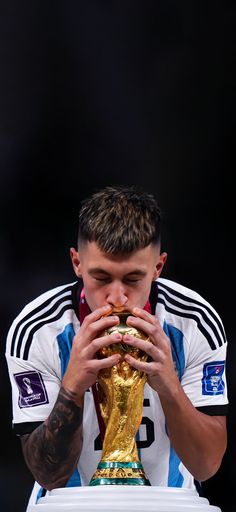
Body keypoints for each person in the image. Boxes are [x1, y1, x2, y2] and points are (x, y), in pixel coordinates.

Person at [5, 185, 228, 508]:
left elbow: (206, 466)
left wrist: (170, 387)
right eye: (101, 277)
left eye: (133, 279)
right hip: (68, 504)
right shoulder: (37, 330)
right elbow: (48, 476)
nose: (117, 297)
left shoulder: (194, 322)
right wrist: (72, 387)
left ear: (158, 267)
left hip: (168, 502)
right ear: (76, 262)